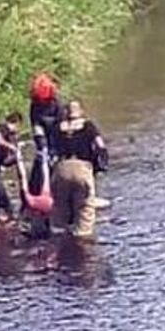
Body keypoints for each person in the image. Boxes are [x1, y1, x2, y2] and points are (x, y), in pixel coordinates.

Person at [50, 99, 108, 239]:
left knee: (60, 207)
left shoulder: (58, 127)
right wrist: (102, 164)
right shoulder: (88, 126)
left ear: (66, 112)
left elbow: (51, 151)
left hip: (61, 168)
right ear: (81, 111)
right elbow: (100, 145)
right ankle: (82, 242)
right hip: (82, 167)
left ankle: (60, 238)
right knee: (85, 208)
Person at [28, 73, 63, 148]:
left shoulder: (35, 101)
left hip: (39, 123)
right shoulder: (54, 101)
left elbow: (32, 117)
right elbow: (60, 116)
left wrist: (34, 127)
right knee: (51, 145)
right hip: (52, 125)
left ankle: (43, 154)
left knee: (41, 145)